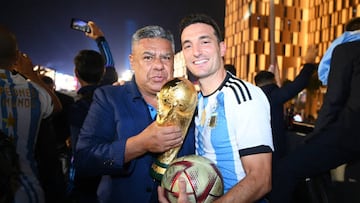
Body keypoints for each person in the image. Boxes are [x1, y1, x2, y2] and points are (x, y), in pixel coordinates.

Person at [159, 13, 274, 203]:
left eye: (204, 42)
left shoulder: (243, 96)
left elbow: (261, 180)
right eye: (188, 45)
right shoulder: (197, 99)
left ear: (222, 48)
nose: (196, 52)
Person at [75, 25, 195, 203]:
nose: (158, 66)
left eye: (166, 57)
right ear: (132, 61)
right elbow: (85, 160)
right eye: (148, 57)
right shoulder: (109, 98)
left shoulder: (190, 102)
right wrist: (140, 144)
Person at [269, 17, 360, 202]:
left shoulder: (345, 49)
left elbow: (334, 101)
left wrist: (315, 136)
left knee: (285, 170)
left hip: (350, 132)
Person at [0, 25, 54, 203]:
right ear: (17, 57)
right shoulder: (36, 92)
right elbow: (57, 106)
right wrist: (31, 74)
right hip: (29, 193)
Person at [67, 21, 118, 202]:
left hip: (83, 182)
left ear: (76, 73)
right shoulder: (110, 96)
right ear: (103, 72)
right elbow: (110, 63)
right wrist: (100, 37)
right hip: (110, 173)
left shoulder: (72, 107)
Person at [254, 45, 318, 164]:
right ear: (273, 81)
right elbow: (299, 84)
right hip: (275, 150)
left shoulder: (252, 98)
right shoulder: (274, 96)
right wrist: (309, 63)